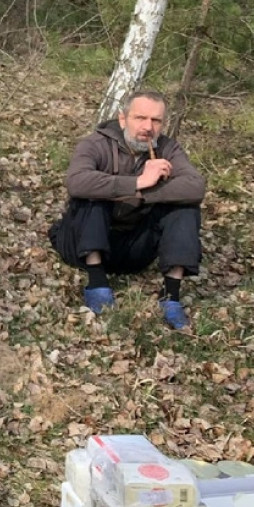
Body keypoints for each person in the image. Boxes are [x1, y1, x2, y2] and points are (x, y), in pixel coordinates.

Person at [48, 90, 205, 329]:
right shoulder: (96, 143)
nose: (148, 127)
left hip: (133, 250)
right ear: (123, 119)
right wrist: (137, 182)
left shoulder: (168, 148)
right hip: (81, 243)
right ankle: (97, 281)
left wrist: (143, 192)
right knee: (92, 195)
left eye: (155, 120)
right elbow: (76, 181)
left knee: (185, 207)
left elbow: (195, 187)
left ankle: (171, 296)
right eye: (140, 118)